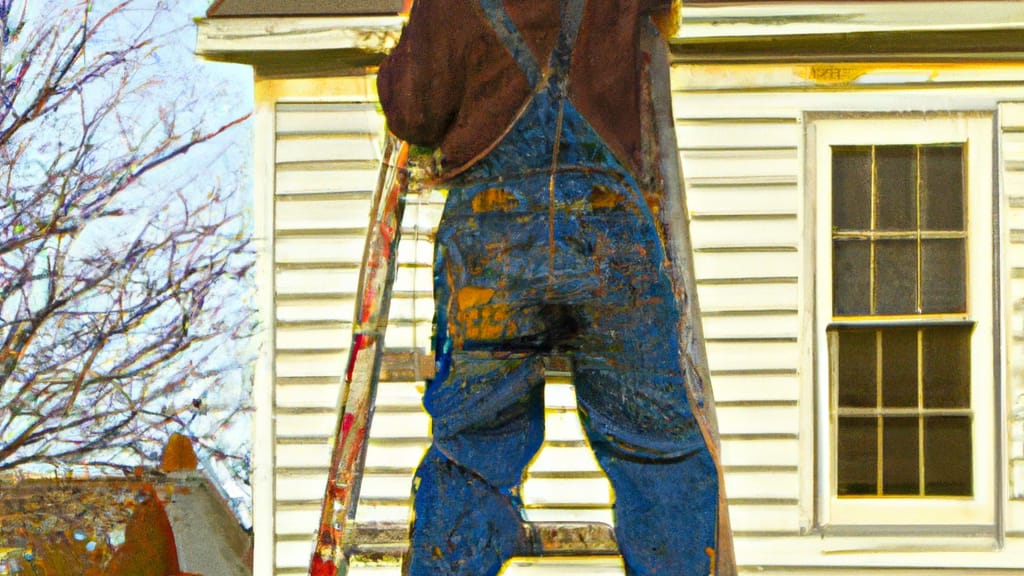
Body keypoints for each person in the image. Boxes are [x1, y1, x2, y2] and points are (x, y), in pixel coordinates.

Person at [377, 0, 732, 574]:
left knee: (472, 448)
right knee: (657, 449)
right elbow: (663, 16)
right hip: (609, 235)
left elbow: (412, 111)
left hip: (490, 251)